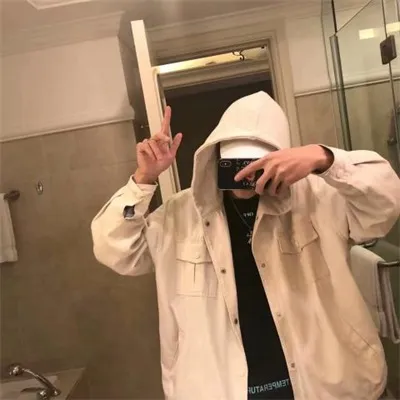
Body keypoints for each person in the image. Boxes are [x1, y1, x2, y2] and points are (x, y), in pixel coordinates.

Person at [91, 91, 400, 400]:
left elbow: (385, 204)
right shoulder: (180, 215)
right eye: (233, 166)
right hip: (221, 389)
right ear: (214, 159)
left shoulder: (317, 198)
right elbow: (115, 250)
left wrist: (323, 158)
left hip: (326, 386)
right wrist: (143, 179)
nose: (244, 176)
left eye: (256, 167)